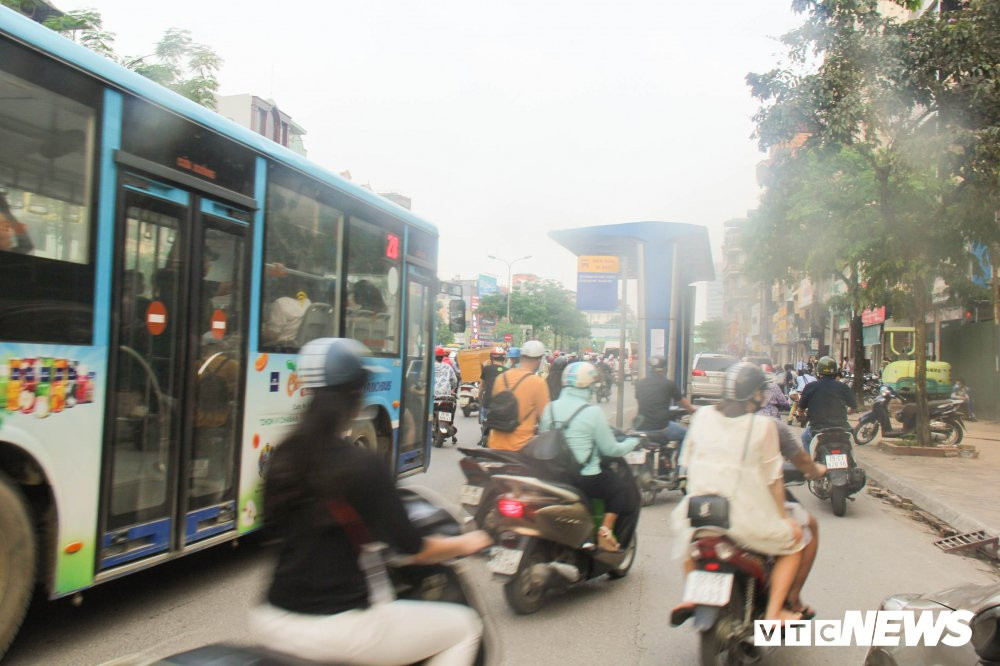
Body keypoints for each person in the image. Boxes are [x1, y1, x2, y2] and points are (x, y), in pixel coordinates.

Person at [252, 338, 491, 665]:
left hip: (272, 619)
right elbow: (412, 548)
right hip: (342, 628)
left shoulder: (284, 457)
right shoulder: (361, 465)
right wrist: (469, 542)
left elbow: (273, 531)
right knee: (465, 627)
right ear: (357, 394)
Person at [671, 362, 812, 625]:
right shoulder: (764, 427)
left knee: (690, 543)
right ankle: (773, 613)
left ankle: (691, 595)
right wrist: (783, 518)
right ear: (756, 395)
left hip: (698, 513)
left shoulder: (702, 416)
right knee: (794, 542)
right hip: (744, 518)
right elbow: (773, 479)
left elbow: (686, 462)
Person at [538, 361, 641, 551]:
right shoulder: (592, 412)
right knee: (620, 489)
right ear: (587, 384)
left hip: (554, 476)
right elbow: (611, 450)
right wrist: (633, 442)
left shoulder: (549, 408)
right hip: (584, 477)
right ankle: (605, 530)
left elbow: (544, 437)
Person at [487, 340, 550, 451]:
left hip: (494, 445)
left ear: (520, 358)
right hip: (520, 449)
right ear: (539, 360)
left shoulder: (501, 378)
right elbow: (545, 421)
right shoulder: (538, 383)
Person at [798, 356, 857, 452]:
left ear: (818, 372)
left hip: (818, 428)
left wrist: (801, 416)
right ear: (834, 372)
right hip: (841, 428)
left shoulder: (810, 387)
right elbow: (853, 407)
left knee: (805, 438)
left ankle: (810, 466)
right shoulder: (843, 387)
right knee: (850, 444)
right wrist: (848, 411)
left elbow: (800, 409)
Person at [634, 355, 696, 445]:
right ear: (664, 369)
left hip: (641, 427)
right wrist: (693, 411)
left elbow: (640, 402)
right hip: (662, 427)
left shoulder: (639, 384)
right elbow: (684, 403)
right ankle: (680, 459)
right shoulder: (668, 384)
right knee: (687, 435)